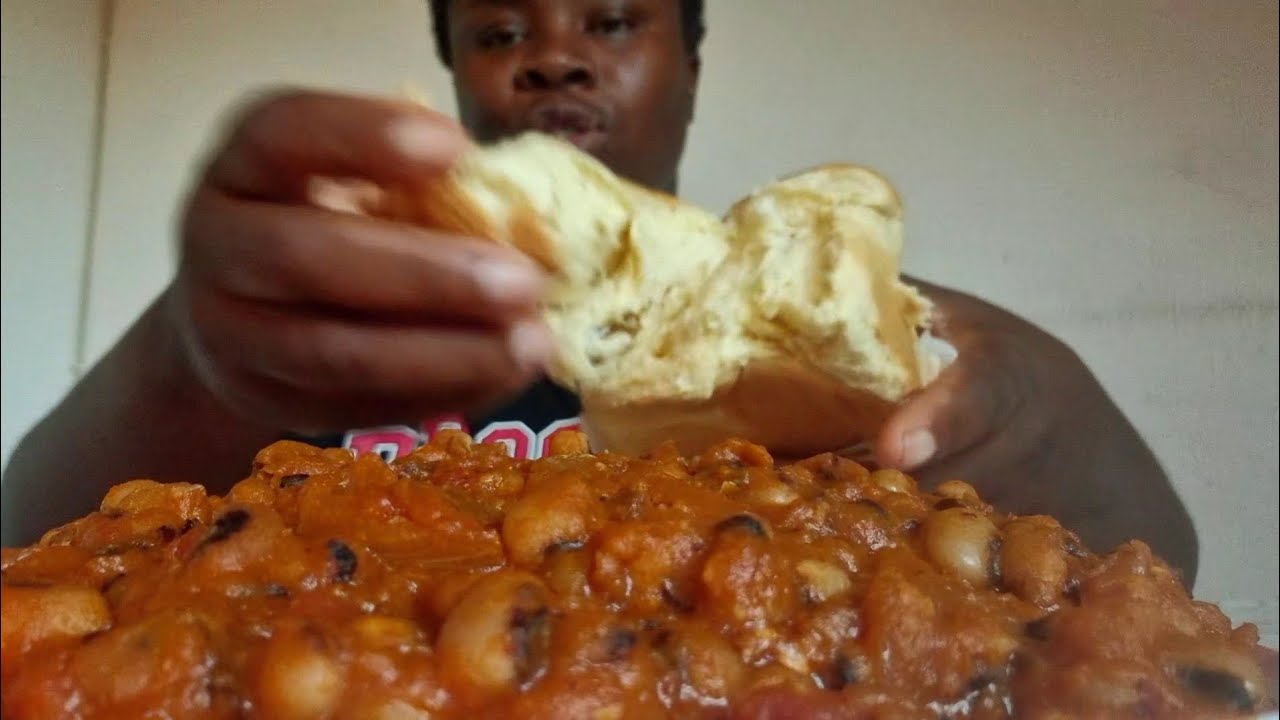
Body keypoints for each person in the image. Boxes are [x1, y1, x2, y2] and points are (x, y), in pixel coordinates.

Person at [0, 0, 1198, 585]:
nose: (554, 53)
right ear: (457, 76)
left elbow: (1165, 564)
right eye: (498, 28)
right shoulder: (336, 337)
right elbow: (26, 546)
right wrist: (188, 362)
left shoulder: (856, 337)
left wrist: (1037, 419)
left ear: (689, 61)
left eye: (612, 19)